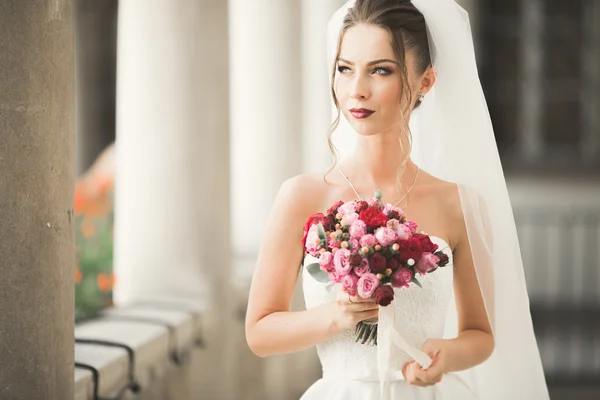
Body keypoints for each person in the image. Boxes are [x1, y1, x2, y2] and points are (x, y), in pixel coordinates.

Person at [245, 0, 550, 399]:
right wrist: (334, 315)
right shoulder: (302, 196)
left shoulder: (457, 203)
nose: (357, 90)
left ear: (425, 82)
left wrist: (446, 355)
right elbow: (259, 332)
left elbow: (480, 335)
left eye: (380, 70)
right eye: (344, 69)